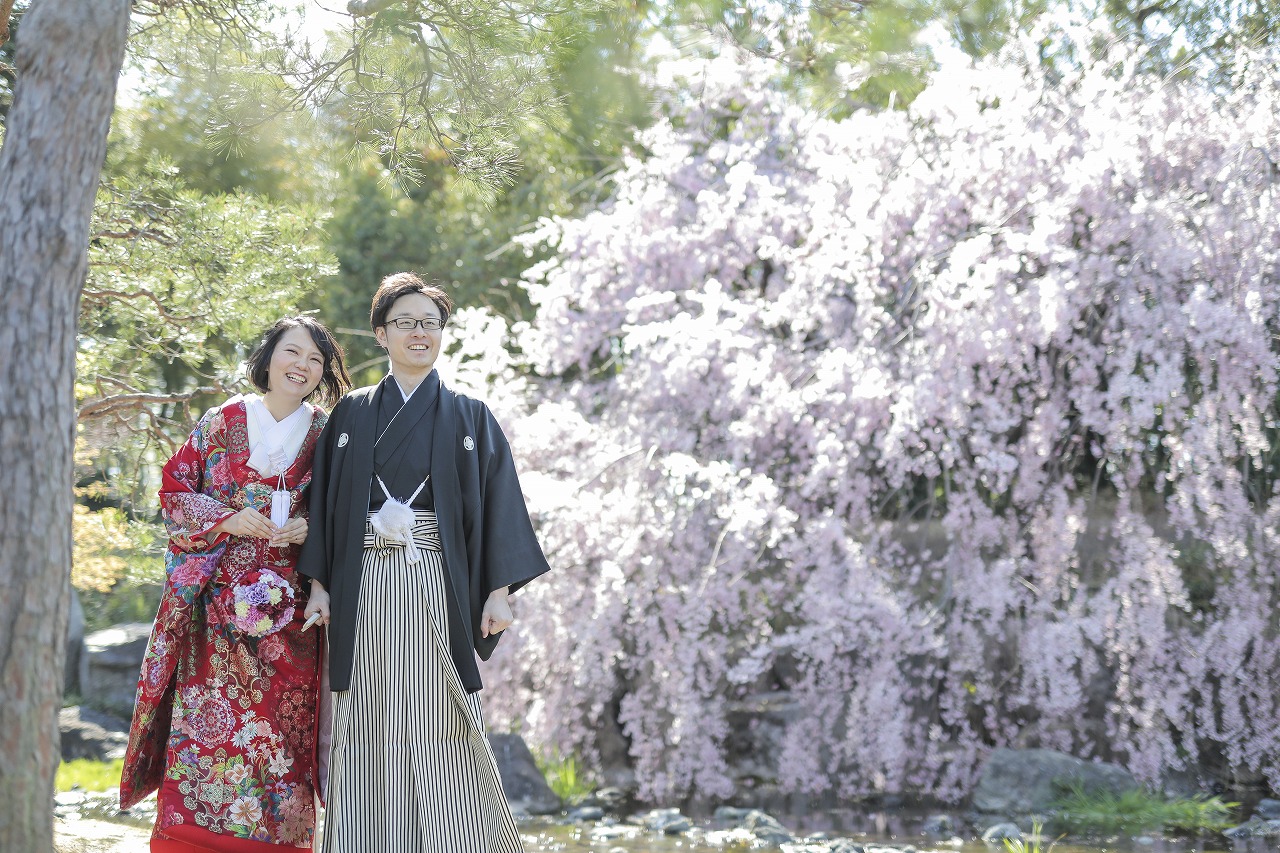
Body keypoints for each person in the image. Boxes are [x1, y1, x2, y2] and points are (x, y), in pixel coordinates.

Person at [297, 272, 550, 853]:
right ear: (381, 334)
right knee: (367, 716)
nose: (420, 333)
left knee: (440, 714)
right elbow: (326, 500)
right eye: (406, 323)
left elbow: (500, 503)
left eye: (430, 324)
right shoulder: (350, 415)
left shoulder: (468, 415)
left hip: (436, 581)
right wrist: (318, 582)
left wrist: (499, 591)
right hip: (363, 586)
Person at [120, 317, 352, 852]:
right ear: (268, 358)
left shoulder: (326, 434)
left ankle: (277, 841)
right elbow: (175, 489)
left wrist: (311, 528)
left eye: (315, 359)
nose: (303, 365)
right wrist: (226, 518)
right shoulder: (223, 420)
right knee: (207, 720)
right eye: (292, 352)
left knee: (280, 733)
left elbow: (342, 510)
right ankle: (188, 839)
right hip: (216, 606)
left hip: (288, 612)